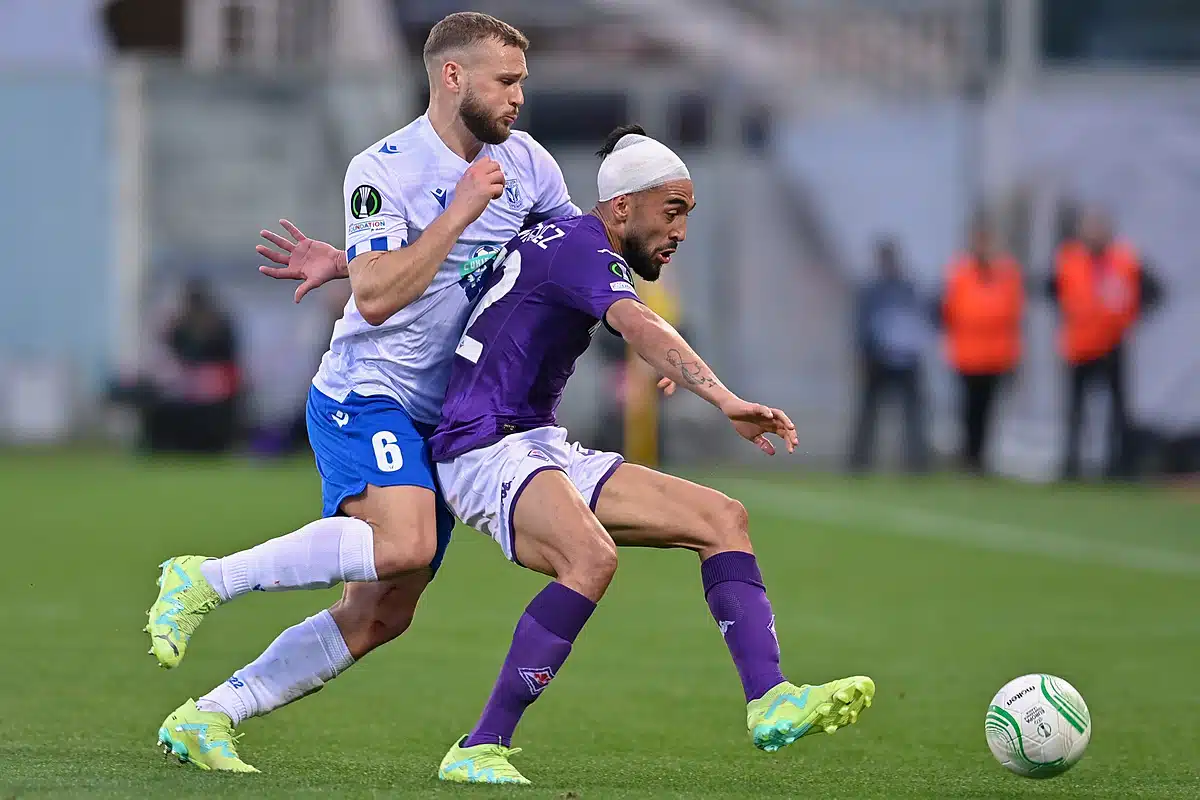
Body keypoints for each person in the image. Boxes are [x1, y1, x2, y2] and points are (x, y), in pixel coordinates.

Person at [145, 12, 582, 772]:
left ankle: (210, 714)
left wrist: (638, 319)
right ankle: (205, 578)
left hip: (452, 416)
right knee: (403, 542)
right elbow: (379, 298)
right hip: (367, 391)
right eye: (504, 81)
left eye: (522, 82)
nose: (518, 97)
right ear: (453, 77)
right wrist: (456, 213)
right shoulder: (384, 168)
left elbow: (571, 255)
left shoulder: (531, 164)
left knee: (382, 613)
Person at [430, 126, 875, 785]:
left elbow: (628, 322)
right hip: (481, 446)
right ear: (622, 207)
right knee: (589, 557)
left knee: (723, 519)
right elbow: (637, 323)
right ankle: (478, 745)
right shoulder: (584, 246)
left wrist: (663, 354)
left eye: (687, 214)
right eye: (672, 211)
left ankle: (770, 700)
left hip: (533, 443)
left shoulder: (572, 241)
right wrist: (722, 398)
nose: (682, 231)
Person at [1052, 209, 1140, 480]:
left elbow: (1148, 290)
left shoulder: (1124, 260)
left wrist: (1127, 319)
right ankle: (1071, 465)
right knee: (1077, 411)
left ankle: (1118, 467)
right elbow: (1050, 289)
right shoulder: (1069, 259)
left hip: (1112, 345)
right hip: (1080, 347)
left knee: (1117, 411)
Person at [941, 220, 1024, 474]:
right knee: (968, 411)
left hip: (996, 355)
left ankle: (980, 459)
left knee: (987, 411)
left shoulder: (1007, 273)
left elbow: (1012, 312)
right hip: (967, 354)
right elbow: (950, 310)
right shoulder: (960, 272)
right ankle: (968, 458)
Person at [848, 238, 928, 473]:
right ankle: (860, 463)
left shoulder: (908, 289)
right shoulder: (871, 291)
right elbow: (862, 326)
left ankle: (916, 464)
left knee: (912, 416)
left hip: (905, 361)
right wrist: (864, 354)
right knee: (869, 416)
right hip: (878, 360)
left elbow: (918, 323)